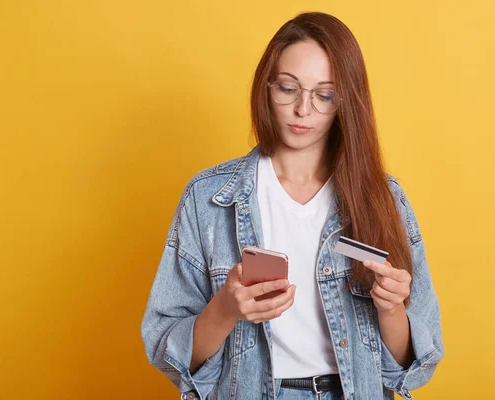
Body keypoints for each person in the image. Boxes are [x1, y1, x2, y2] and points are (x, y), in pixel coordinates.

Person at [141, 11, 443, 400]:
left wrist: (390, 309)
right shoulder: (209, 198)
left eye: (325, 95)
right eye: (288, 88)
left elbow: (409, 369)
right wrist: (225, 309)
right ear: (266, 88)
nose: (304, 110)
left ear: (345, 102)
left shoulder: (382, 198)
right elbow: (169, 354)